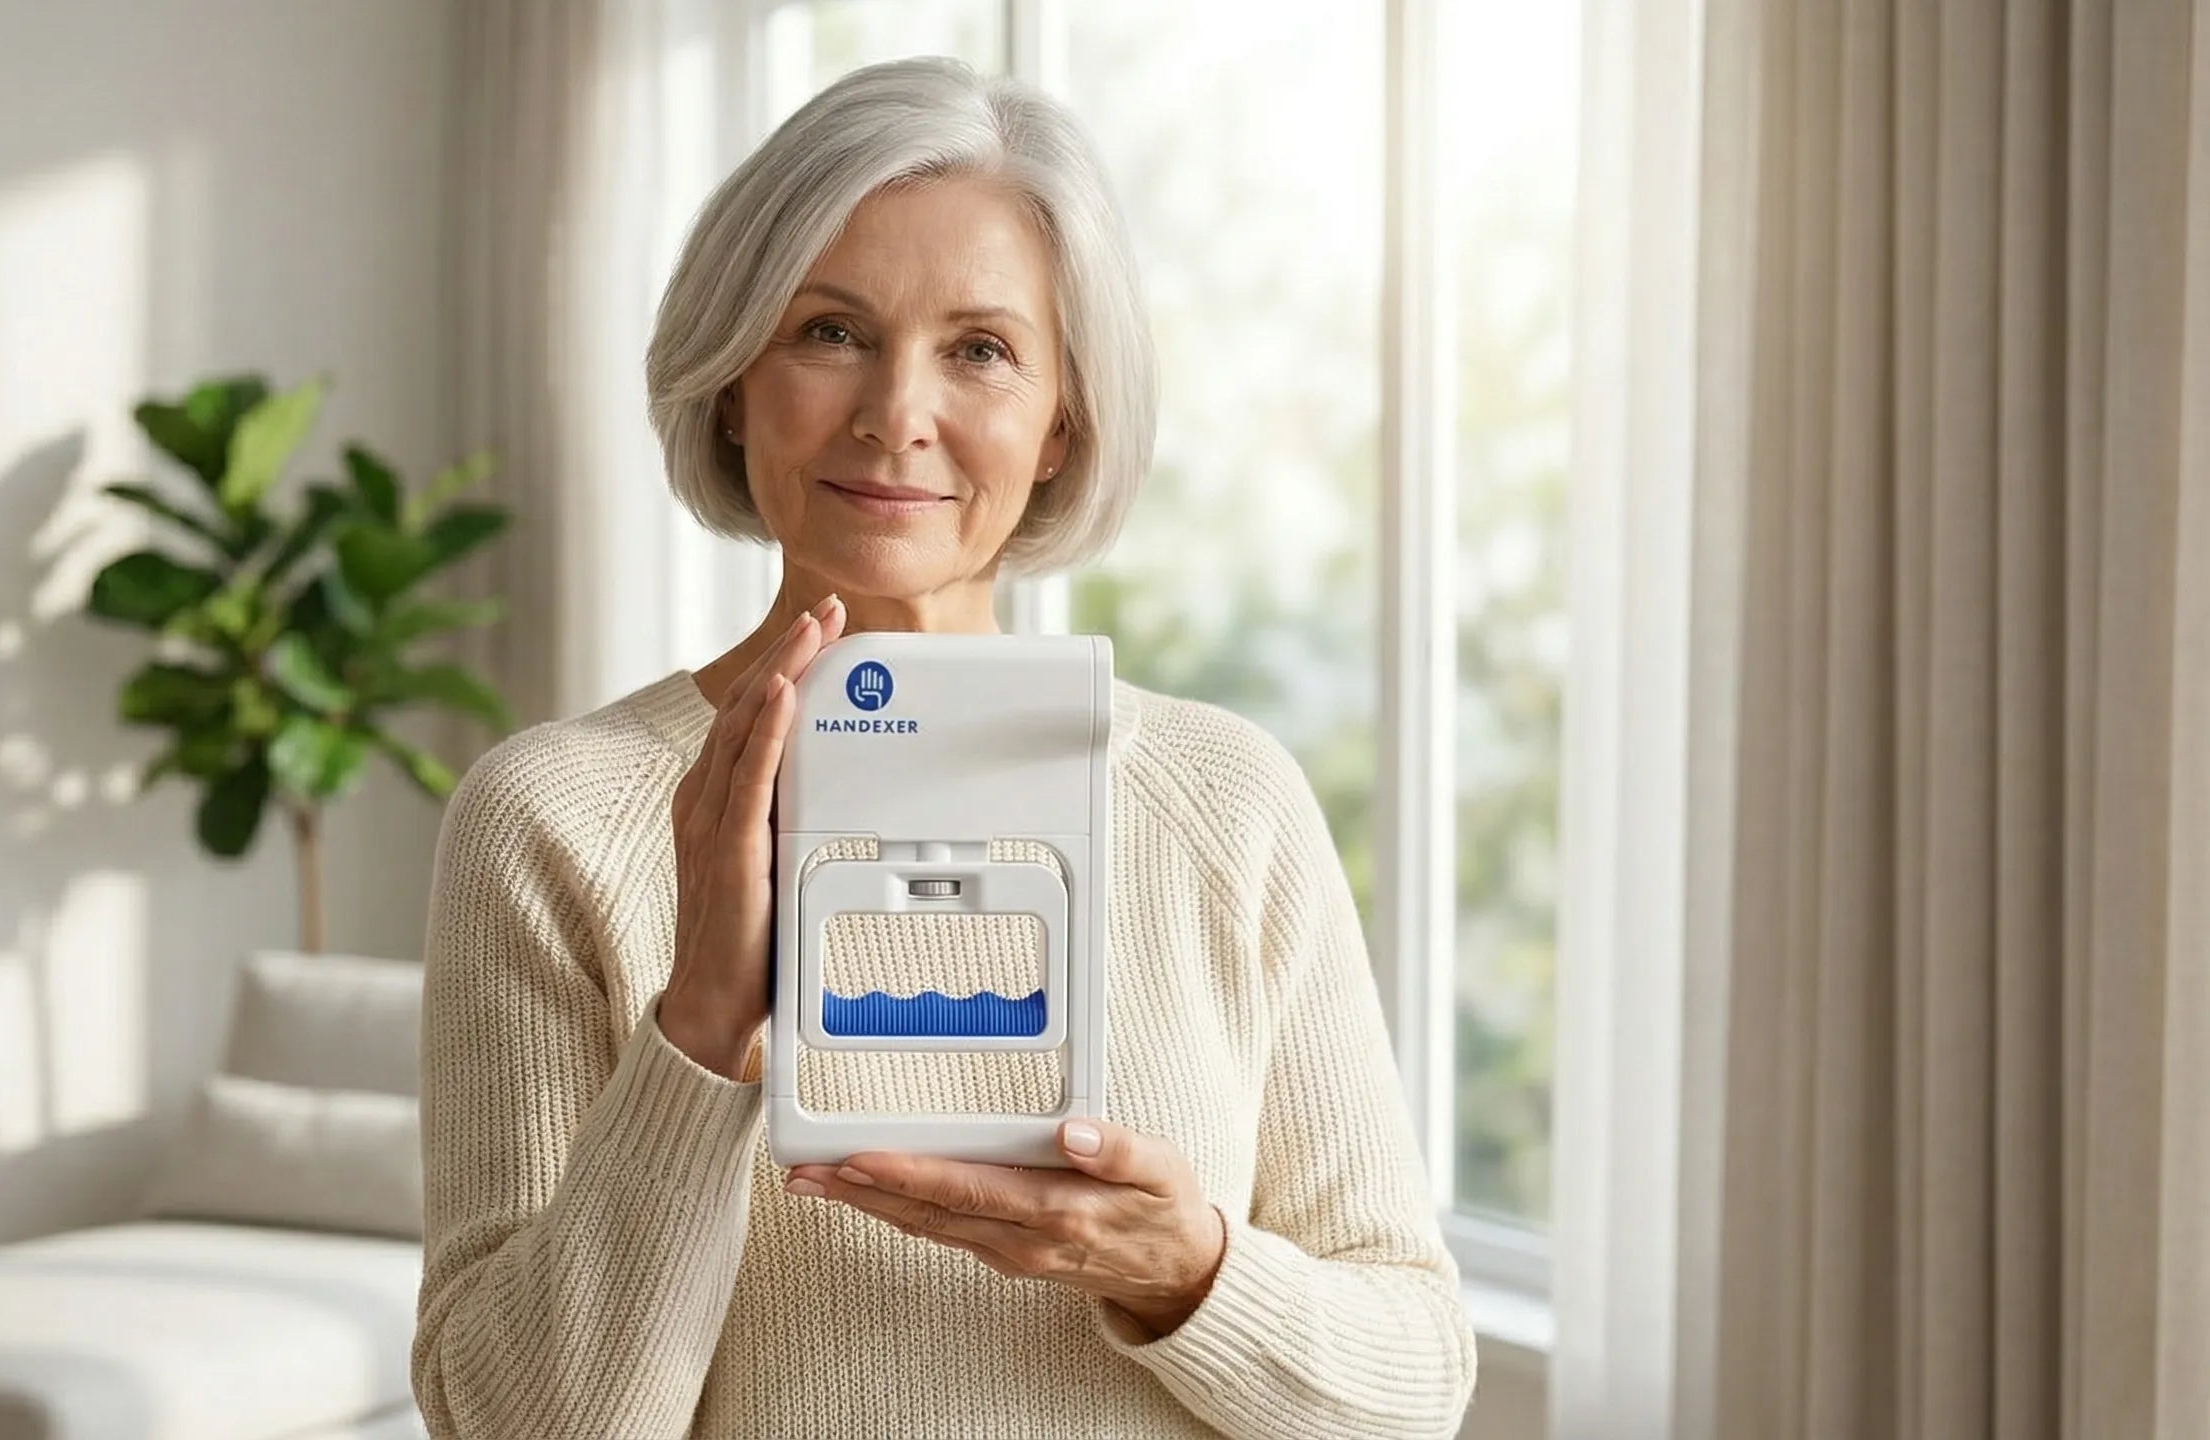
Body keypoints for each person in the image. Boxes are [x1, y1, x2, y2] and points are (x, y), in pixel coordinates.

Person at [411, 56, 1474, 1439]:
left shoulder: (1228, 802)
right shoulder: (557, 817)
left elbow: (1413, 1385)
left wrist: (1187, 1273)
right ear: (734, 383)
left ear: (1059, 425)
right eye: (830, 333)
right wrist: (701, 1032)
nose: (895, 414)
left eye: (980, 349)